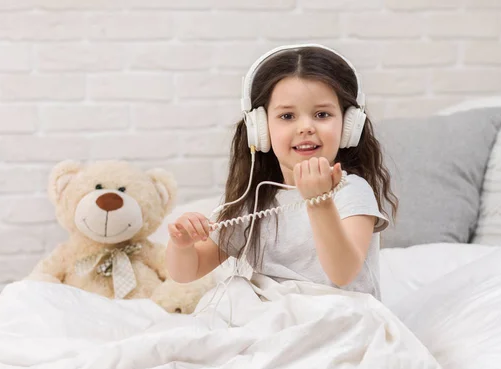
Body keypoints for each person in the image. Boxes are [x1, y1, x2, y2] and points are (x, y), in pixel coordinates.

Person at [165, 44, 397, 300]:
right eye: (287, 116)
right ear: (260, 129)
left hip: (338, 317)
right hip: (275, 317)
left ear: (348, 125)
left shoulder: (351, 191)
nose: (306, 127)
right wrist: (182, 245)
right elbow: (189, 272)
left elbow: (342, 274)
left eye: (322, 114)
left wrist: (318, 202)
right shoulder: (256, 200)